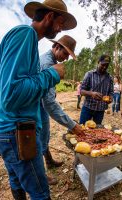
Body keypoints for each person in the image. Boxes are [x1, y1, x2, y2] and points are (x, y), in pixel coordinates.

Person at [0, 0, 77, 199]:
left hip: (6, 131)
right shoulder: (26, 35)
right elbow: (10, 95)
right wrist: (52, 75)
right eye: (60, 23)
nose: (60, 28)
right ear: (49, 17)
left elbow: (13, 88)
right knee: (40, 191)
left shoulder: (24, 40)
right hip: (18, 134)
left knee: (17, 181)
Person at [39, 35, 84, 184]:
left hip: (41, 105)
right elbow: (49, 103)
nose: (66, 59)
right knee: (40, 139)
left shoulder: (49, 59)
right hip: (38, 107)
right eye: (65, 54)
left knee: (44, 135)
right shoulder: (47, 64)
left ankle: (49, 161)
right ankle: (41, 175)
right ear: (57, 47)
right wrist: (72, 125)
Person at [79, 55, 114, 125]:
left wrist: (110, 99)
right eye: (103, 65)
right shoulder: (89, 74)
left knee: (96, 132)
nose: (104, 67)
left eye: (106, 65)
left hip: (100, 111)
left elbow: (111, 92)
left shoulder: (109, 78)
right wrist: (91, 94)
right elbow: (81, 91)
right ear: (98, 62)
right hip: (88, 108)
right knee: (82, 128)